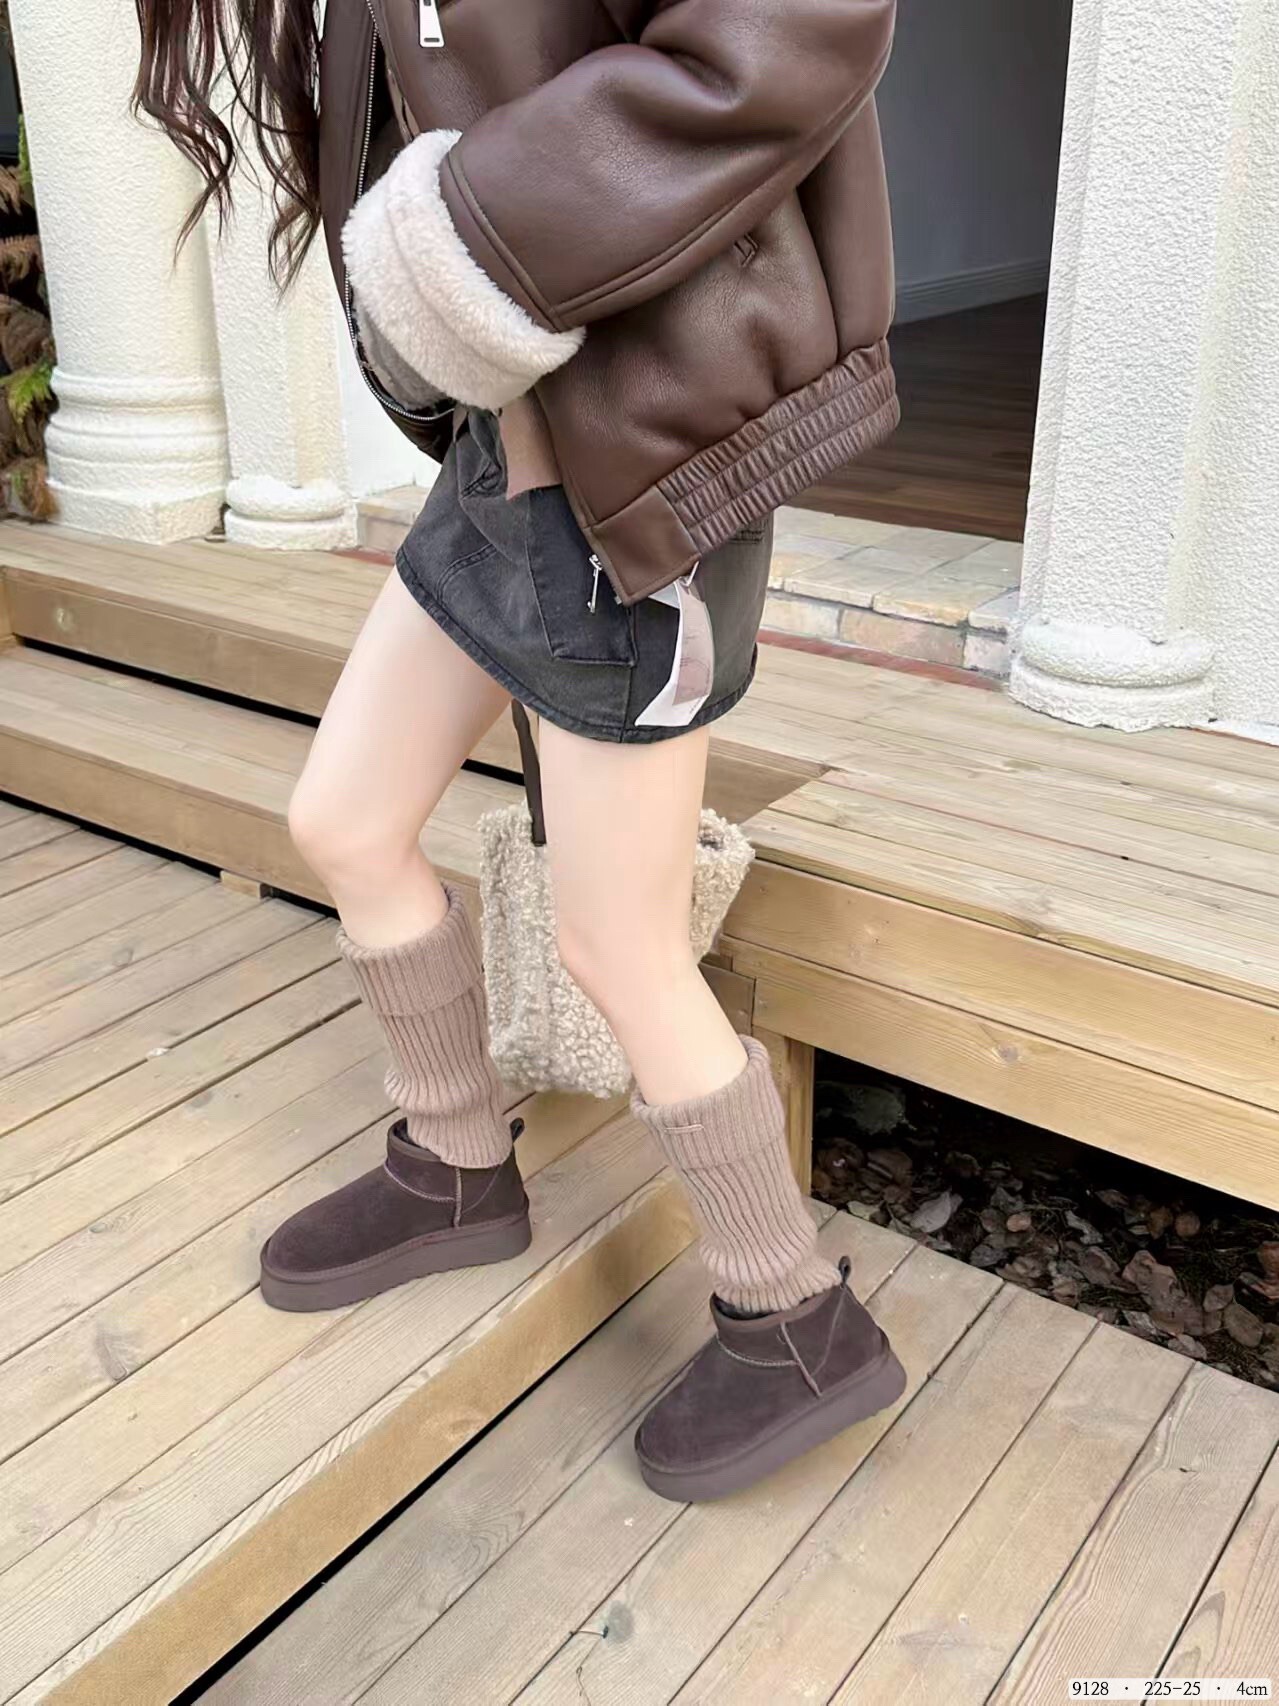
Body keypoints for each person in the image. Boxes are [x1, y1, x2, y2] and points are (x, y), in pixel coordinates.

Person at [134, 0, 905, 1503]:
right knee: (346, 818)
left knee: (618, 940)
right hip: (513, 451)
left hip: (650, 460)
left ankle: (794, 1315)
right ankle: (454, 1165)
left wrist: (469, 237)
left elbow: (789, 32)